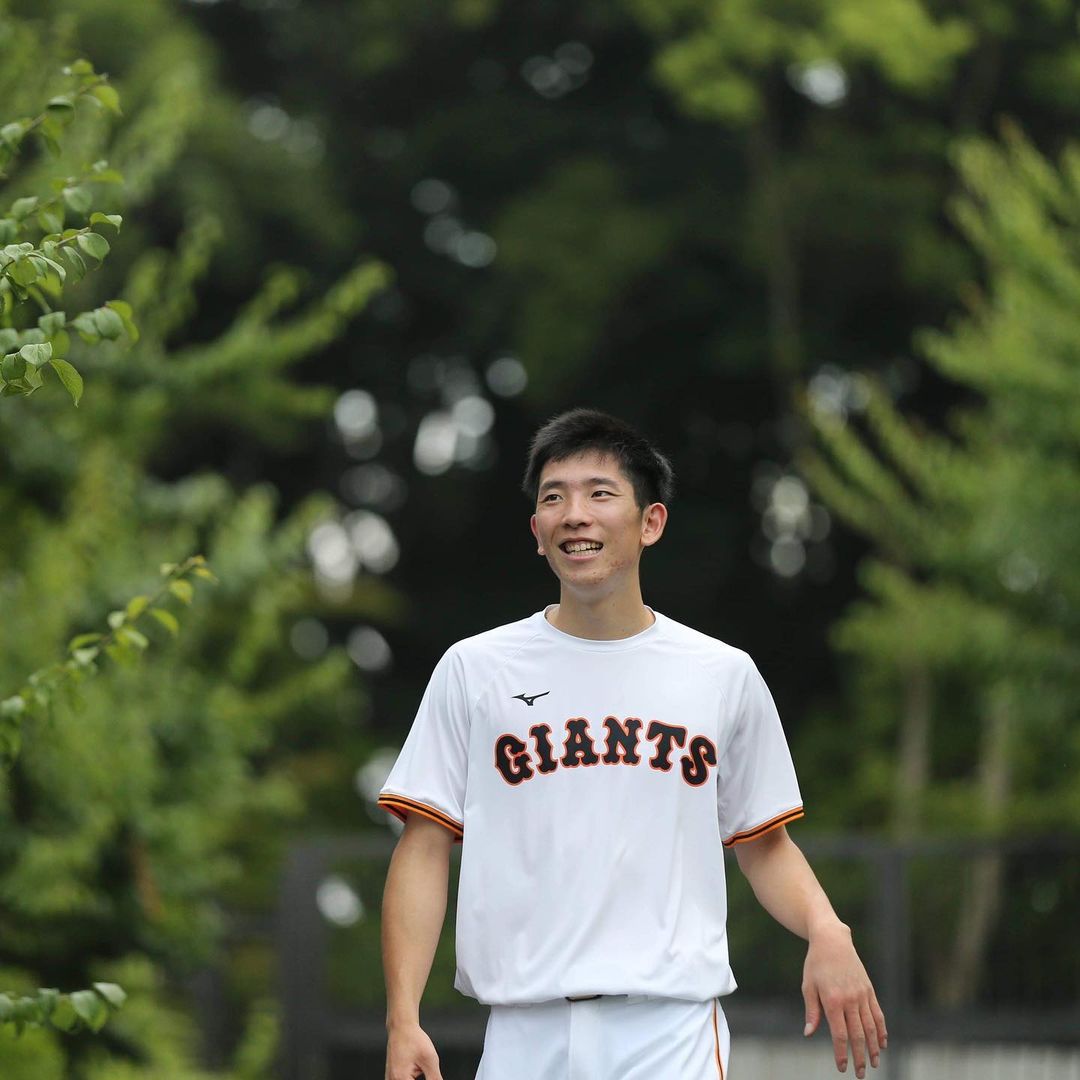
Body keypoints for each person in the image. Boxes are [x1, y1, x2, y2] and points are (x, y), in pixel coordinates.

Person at [379, 408, 886, 1080]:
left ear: (651, 522)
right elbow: (423, 846)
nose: (574, 515)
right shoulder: (475, 670)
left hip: (667, 1030)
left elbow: (763, 842)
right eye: (553, 498)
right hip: (521, 1031)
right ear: (536, 533)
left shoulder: (721, 674)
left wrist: (826, 928)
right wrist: (403, 1018)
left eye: (600, 493)